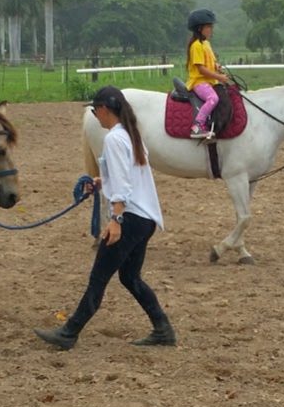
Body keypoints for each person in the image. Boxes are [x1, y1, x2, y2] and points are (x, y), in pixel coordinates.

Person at [35, 85, 177, 349]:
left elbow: (123, 185)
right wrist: (102, 182)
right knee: (130, 277)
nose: (95, 116)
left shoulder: (113, 139)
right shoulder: (129, 135)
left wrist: (115, 220)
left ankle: (69, 333)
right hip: (145, 218)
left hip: (130, 217)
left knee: (98, 278)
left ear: (103, 109)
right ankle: (163, 329)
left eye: (94, 110)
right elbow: (129, 176)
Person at [184, 8, 230, 140]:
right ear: (199, 28)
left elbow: (210, 62)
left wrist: (217, 67)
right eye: (209, 26)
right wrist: (219, 77)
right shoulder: (196, 46)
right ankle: (197, 126)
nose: (211, 29)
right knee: (213, 99)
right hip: (199, 82)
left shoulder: (206, 44)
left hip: (210, 81)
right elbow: (201, 69)